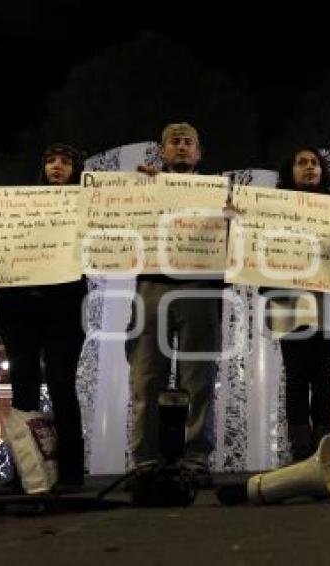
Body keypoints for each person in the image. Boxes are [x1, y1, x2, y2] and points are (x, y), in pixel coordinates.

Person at [0, 144, 88, 490]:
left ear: (75, 169)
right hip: (20, 307)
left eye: (65, 162)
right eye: (50, 160)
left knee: (60, 383)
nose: (57, 166)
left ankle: (71, 472)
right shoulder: (17, 204)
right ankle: (25, 471)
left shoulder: (87, 203)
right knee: (23, 389)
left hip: (64, 308)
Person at [127, 122, 222, 484]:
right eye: (174, 143)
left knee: (199, 381)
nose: (181, 147)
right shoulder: (143, 187)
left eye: (188, 143)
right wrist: (144, 190)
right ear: (163, 153)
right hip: (152, 286)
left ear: (198, 154)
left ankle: (196, 460)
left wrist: (232, 218)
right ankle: (146, 463)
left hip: (200, 288)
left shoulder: (218, 192)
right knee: (146, 377)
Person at [263, 147, 330, 462]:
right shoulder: (271, 207)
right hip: (286, 300)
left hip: (327, 300)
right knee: (296, 375)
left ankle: (323, 447)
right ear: (290, 171)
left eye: (314, 163)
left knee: (323, 375)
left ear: (322, 170)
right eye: (301, 162)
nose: (309, 167)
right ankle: (300, 450)